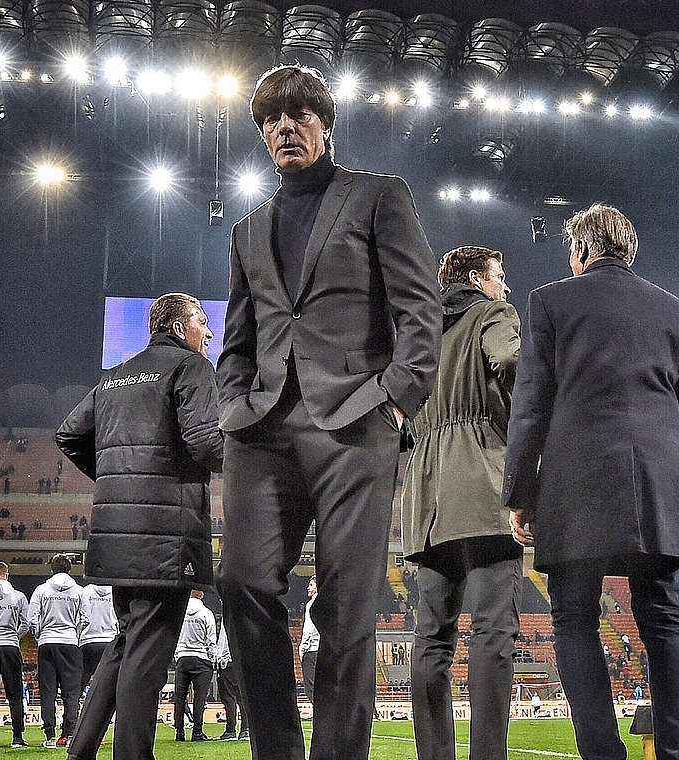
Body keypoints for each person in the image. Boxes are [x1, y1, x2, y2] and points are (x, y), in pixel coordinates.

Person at [215, 63, 440, 760]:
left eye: (300, 115)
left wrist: (396, 399)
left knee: (345, 607)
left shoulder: (378, 196)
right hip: (262, 432)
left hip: (355, 423)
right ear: (262, 134)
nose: (286, 127)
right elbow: (237, 341)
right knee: (242, 584)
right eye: (272, 120)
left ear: (325, 126)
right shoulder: (248, 230)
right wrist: (232, 404)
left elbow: (419, 309)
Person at [504, 204, 679, 760]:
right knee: (666, 623)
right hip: (660, 488)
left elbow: (531, 407)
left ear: (580, 251)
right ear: (629, 251)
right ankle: (676, 755)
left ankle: (602, 755)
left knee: (574, 618)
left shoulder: (549, 301)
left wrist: (520, 494)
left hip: (578, 489)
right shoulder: (676, 310)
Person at [57, 292, 223, 760]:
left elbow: (68, 434)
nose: (208, 334)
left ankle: (80, 751)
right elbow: (207, 445)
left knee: (125, 642)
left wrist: (118, 478)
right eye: (202, 323)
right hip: (164, 536)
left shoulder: (113, 378)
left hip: (115, 536)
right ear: (177, 328)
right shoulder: (191, 368)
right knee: (147, 656)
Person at [399, 245, 521, 760]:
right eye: (500, 276)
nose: (506, 287)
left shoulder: (419, 330)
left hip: (425, 501)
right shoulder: (493, 312)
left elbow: (397, 402)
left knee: (431, 641)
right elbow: (513, 359)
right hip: (485, 488)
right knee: (492, 632)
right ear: (477, 278)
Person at [28, 554, 84, 748]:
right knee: (71, 692)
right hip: (70, 642)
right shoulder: (78, 591)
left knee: (48, 691)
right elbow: (85, 618)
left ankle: (50, 736)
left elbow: (32, 618)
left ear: (51, 569)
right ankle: (69, 735)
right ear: (70, 570)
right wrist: (74, 634)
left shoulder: (41, 590)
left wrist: (40, 635)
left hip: (47, 643)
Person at [0, 561, 30, 749]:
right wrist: (14, 637)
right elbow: (25, 624)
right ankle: (17, 737)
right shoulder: (18, 596)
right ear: (7, 575)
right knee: (15, 694)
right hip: (11, 646)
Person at [171, 590, 216, 743]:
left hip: (183, 658)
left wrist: (178, 655)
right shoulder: (206, 613)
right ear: (201, 595)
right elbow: (211, 640)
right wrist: (212, 659)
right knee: (199, 699)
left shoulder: (180, 613)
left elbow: (174, 635)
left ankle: (179, 733)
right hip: (201, 659)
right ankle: (197, 733)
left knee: (179, 697)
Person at [75, 585, 118, 692]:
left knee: (81, 680)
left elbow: (80, 617)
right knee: (111, 681)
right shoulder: (115, 592)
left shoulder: (85, 591)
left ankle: (74, 706)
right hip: (110, 640)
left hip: (88, 640)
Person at [213, 616, 247, 741]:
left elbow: (224, 640)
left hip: (228, 663)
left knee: (228, 698)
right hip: (241, 662)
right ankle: (245, 730)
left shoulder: (228, 615)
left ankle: (230, 730)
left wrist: (221, 659)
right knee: (242, 698)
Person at [299, 577, 320, 702]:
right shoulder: (326, 602)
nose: (308, 587)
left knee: (310, 688)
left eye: (311, 585)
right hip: (322, 650)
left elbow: (309, 628)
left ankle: (321, 715)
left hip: (311, 651)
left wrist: (302, 649)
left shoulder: (311, 604)